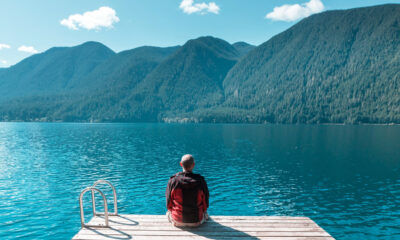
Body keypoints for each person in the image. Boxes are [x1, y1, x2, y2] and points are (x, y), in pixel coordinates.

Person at [166, 154, 209, 227]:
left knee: (168, 213)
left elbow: (169, 203)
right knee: (206, 214)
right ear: (193, 165)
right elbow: (205, 203)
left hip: (177, 221)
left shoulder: (173, 181)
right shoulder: (200, 181)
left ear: (180, 164)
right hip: (196, 221)